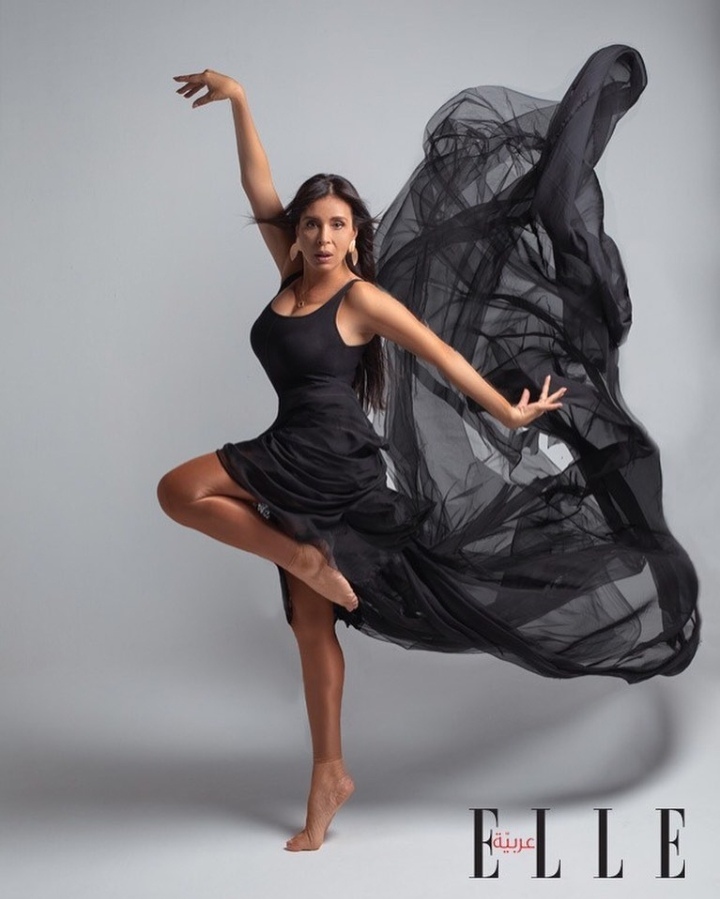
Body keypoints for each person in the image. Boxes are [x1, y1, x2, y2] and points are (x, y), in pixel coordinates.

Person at [158, 47, 700, 851]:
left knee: (182, 491)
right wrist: (238, 98)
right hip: (289, 447)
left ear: (355, 237)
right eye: (312, 223)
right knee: (311, 625)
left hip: (329, 458)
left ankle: (306, 558)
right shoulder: (290, 277)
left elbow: (440, 354)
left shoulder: (360, 298)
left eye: (338, 224)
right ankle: (329, 772)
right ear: (298, 235)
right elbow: (258, 186)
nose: (323, 235)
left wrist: (507, 411)